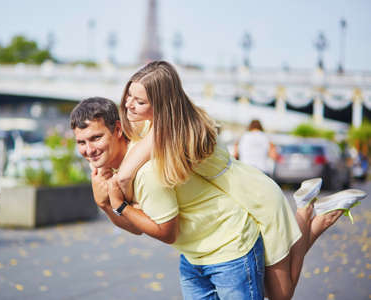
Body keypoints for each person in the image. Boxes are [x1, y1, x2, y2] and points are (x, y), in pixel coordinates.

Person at [71, 62, 366, 299]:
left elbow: (146, 199)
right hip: (221, 221)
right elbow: (136, 220)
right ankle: (309, 217)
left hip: (253, 198)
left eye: (139, 101)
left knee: (281, 294)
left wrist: (118, 192)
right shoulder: (152, 129)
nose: (130, 105)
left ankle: (308, 217)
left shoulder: (179, 130)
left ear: (161, 104)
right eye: (128, 98)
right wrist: (109, 203)